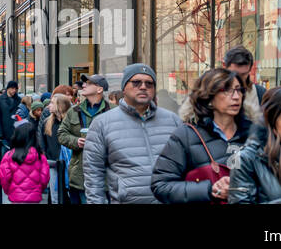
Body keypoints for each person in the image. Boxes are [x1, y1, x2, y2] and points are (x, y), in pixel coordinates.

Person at [83, 63, 181, 204]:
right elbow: (93, 174)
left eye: (149, 83)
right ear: (124, 87)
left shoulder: (172, 120)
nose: (143, 87)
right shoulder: (102, 123)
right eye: (136, 82)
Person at [151, 68, 252, 203]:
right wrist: (210, 189)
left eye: (239, 90)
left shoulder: (255, 133)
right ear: (209, 97)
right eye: (227, 90)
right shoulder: (186, 135)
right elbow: (161, 186)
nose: (236, 96)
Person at [57, 74, 113, 204]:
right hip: (79, 176)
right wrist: (75, 141)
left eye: (88, 83)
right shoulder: (74, 111)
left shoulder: (113, 111)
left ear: (99, 89)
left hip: (106, 177)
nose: (83, 85)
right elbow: (61, 134)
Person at [0, 121, 50, 204]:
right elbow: (44, 178)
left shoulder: (9, 156)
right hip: (35, 198)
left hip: (16, 197)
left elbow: (5, 178)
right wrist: (38, 190)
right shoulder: (40, 157)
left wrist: (10, 191)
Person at [41, 93, 72, 203]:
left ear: (60, 105)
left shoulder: (71, 122)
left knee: (69, 193)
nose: (49, 106)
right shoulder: (47, 122)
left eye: (52, 103)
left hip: (69, 164)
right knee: (55, 195)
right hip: (53, 163)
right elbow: (43, 143)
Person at [222, 45, 267, 111]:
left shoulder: (260, 93)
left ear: (250, 69)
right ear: (224, 66)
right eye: (234, 74)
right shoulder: (212, 91)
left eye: (243, 74)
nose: (238, 79)